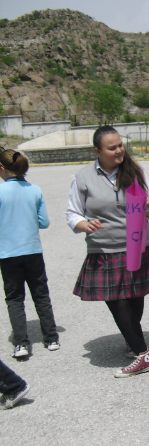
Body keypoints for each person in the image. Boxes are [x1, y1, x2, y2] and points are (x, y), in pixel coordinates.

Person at [66, 126, 149, 378]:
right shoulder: (83, 177)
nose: (119, 150)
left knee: (134, 297)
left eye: (120, 144)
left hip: (137, 244)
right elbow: (72, 213)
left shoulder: (135, 171)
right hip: (105, 249)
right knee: (116, 301)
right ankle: (143, 354)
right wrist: (83, 224)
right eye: (112, 147)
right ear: (98, 151)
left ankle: (134, 340)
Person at [0, 150, 60, 359]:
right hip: (33, 250)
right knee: (41, 294)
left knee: (15, 298)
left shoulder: (0, 192)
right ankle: (51, 338)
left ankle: (21, 343)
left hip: (8, 253)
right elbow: (44, 222)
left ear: (2, 169)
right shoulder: (35, 190)